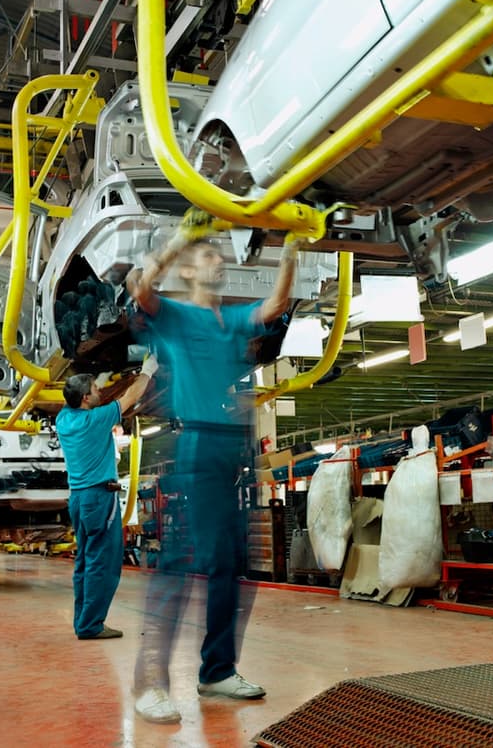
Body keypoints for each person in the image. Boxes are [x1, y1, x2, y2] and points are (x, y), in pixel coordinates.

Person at [125, 219, 299, 725]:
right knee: (181, 564)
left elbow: (275, 306)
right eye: (207, 255)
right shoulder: (176, 316)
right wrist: (179, 241)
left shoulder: (232, 320)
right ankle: (151, 685)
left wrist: (291, 250)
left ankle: (217, 671)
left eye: (219, 255)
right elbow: (141, 288)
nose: (218, 260)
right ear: (186, 270)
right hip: (197, 444)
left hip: (230, 447)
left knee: (231, 563)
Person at [56, 355, 157, 640]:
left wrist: (98, 376)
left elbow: (77, 396)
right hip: (99, 499)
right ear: (85, 399)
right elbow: (131, 396)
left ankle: (83, 622)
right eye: (95, 389)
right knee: (103, 562)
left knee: (85, 561)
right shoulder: (95, 420)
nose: (99, 390)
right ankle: (91, 625)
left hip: (79, 500)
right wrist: (148, 370)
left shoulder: (64, 419)